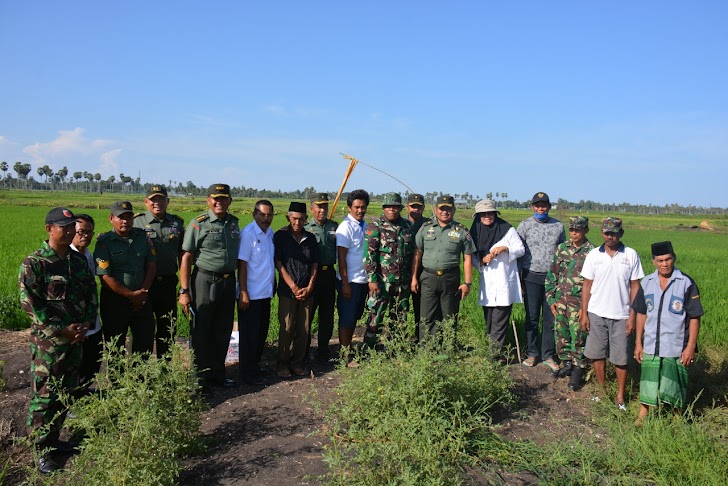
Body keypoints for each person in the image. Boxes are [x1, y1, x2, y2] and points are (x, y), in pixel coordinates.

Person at [19, 207, 97, 473]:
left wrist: (86, 323)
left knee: (68, 392)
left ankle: (55, 440)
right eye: (63, 226)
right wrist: (61, 329)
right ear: (49, 229)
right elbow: (31, 304)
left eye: (71, 225)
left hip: (75, 340)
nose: (69, 230)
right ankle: (41, 449)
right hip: (49, 344)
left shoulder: (76, 262)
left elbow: (90, 294)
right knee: (45, 396)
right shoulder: (35, 262)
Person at [633, 241, 703, 423]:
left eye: (668, 259)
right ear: (653, 261)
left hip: (676, 344)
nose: (665, 264)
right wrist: (638, 343)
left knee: (676, 382)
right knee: (648, 380)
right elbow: (641, 314)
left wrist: (690, 347)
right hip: (651, 343)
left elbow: (695, 317)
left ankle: (677, 417)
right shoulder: (647, 282)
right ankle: (643, 415)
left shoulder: (686, 283)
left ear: (674, 258)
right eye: (660, 260)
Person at [179, 184, 240, 389]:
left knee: (222, 329)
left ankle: (217, 374)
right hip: (204, 280)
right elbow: (187, 257)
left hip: (227, 281)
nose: (219, 202)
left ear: (230, 201)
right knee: (202, 329)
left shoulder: (233, 223)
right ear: (208, 200)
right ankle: (199, 378)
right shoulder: (199, 224)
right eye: (215, 198)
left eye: (223, 199)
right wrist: (184, 291)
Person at [580, 217, 644, 410]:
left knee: (621, 358)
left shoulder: (630, 255)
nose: (610, 236)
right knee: (597, 354)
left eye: (614, 233)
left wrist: (632, 316)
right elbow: (587, 284)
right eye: (607, 232)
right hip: (596, 312)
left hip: (622, 314)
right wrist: (584, 313)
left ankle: (620, 396)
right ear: (602, 233)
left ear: (620, 234)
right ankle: (602, 391)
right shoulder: (593, 255)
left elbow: (635, 287)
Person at [95, 201, 157, 355]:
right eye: (121, 217)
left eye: (129, 217)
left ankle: (141, 378)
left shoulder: (143, 237)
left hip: (142, 299)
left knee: (144, 344)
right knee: (115, 346)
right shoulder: (104, 243)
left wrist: (142, 293)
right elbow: (105, 276)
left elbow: (151, 265)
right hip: (115, 301)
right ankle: (117, 379)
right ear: (111, 218)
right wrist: (131, 296)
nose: (125, 221)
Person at [411, 195, 476, 341]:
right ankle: (427, 349)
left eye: (448, 209)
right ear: (436, 210)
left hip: (450, 278)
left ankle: (448, 348)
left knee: (449, 315)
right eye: (442, 209)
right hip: (428, 277)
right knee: (427, 316)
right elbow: (417, 253)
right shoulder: (425, 228)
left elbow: (467, 257)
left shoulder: (461, 231)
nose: (445, 212)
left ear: (454, 210)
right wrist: (414, 277)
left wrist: (467, 283)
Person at [133, 184, 185, 358]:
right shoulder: (136, 222)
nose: (157, 203)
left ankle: (165, 370)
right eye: (153, 200)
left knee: (168, 328)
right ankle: (142, 372)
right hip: (145, 284)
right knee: (144, 329)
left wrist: (185, 285)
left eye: (161, 199)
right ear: (146, 202)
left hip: (168, 283)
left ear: (167, 201)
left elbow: (182, 254)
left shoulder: (176, 223)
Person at [545, 216, 595, 390]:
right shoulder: (562, 249)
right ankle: (566, 363)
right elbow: (552, 274)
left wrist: (586, 309)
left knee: (578, 337)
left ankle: (577, 371)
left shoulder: (592, 252)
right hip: (561, 302)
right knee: (562, 335)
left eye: (578, 230)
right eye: (572, 230)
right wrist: (551, 298)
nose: (574, 233)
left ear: (585, 230)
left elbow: (594, 284)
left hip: (578, 305)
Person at [517, 192, 565, 371]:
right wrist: (519, 279)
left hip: (552, 279)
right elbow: (517, 253)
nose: (541, 208)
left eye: (544, 205)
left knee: (550, 319)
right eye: (537, 205)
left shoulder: (558, 226)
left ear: (549, 207)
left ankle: (548, 355)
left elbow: (563, 252)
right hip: (530, 276)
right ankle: (532, 353)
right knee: (531, 317)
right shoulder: (524, 226)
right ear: (532, 207)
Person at [469, 199, 524, 355]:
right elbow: (471, 255)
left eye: (490, 213)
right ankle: (489, 349)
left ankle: (493, 354)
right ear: (478, 216)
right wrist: (481, 260)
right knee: (489, 318)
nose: (487, 216)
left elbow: (520, 249)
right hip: (487, 282)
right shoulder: (475, 231)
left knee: (500, 318)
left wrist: (505, 248)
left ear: (495, 213)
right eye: (483, 214)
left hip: (503, 280)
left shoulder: (507, 230)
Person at [363, 193, 415, 347]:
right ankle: (369, 348)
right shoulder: (375, 225)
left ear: (400, 208)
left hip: (402, 281)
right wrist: (372, 280)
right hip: (381, 281)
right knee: (376, 315)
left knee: (400, 315)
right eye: (389, 207)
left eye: (395, 206)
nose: (392, 209)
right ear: (384, 208)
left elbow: (412, 254)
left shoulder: (407, 226)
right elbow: (369, 255)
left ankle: (395, 348)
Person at [274, 202, 319, 377]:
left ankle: (297, 362)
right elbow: (279, 263)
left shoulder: (311, 238)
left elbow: (315, 263)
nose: (297, 223)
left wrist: (310, 286)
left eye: (301, 219)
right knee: (287, 328)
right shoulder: (281, 236)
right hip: (288, 291)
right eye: (294, 219)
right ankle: (282, 364)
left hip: (307, 291)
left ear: (306, 219)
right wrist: (293, 286)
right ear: (288, 218)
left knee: (304, 329)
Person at [237, 199, 276, 385]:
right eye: (262, 214)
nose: (266, 218)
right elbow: (242, 264)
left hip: (265, 294)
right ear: (255, 214)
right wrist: (243, 292)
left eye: (269, 215)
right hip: (250, 294)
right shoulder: (248, 234)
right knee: (248, 336)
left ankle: (255, 368)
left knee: (260, 334)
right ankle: (246, 373)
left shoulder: (270, 234)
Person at [304, 192, 338, 363]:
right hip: (311, 276)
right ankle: (304, 350)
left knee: (327, 315)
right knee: (307, 315)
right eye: (318, 206)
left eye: (325, 206)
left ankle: (323, 350)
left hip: (329, 274)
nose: (322, 210)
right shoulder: (305, 228)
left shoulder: (334, 227)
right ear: (312, 208)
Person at [336, 189, 370, 361]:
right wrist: (345, 283)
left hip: (363, 281)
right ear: (349, 207)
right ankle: (344, 355)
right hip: (350, 281)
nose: (360, 210)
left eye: (363, 207)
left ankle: (347, 351)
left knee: (355, 316)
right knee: (347, 319)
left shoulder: (365, 226)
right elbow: (341, 257)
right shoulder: (346, 227)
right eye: (356, 207)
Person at [70, 214, 103, 385]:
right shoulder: (66, 257)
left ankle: (83, 391)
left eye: (89, 232)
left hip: (91, 320)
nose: (85, 236)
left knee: (92, 360)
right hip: (75, 324)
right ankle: (72, 400)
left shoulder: (89, 255)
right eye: (81, 232)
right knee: (74, 365)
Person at [406, 193, 429, 340]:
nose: (416, 209)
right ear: (407, 207)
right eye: (413, 206)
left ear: (423, 208)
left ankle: (420, 338)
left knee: (421, 309)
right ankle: (398, 340)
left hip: (422, 272)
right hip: (399, 271)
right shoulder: (401, 224)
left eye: (419, 207)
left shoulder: (429, 225)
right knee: (399, 308)